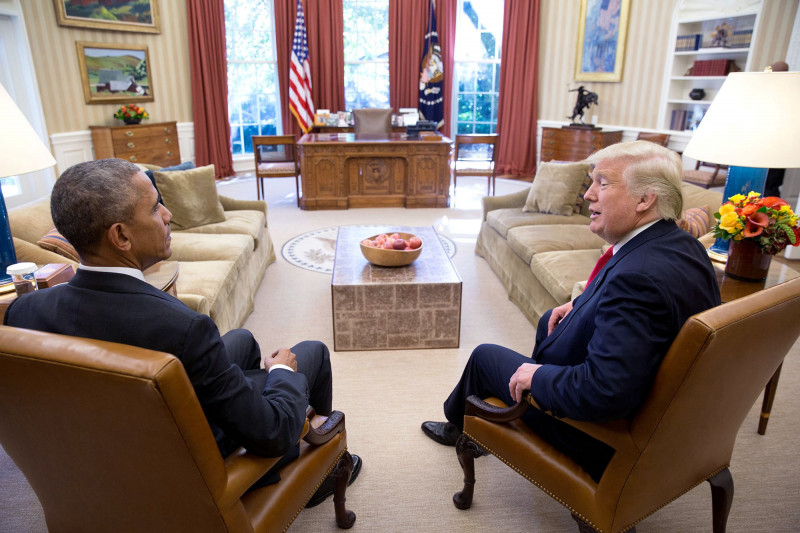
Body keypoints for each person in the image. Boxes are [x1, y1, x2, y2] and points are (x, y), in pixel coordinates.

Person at [3, 159, 360, 505]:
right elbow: (271, 434)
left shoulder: (24, 311)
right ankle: (321, 472)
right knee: (309, 351)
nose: (168, 215)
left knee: (241, 339)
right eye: (156, 207)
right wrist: (282, 372)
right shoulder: (182, 327)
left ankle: (243, 392)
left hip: (108, 445)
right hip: (185, 459)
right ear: (121, 236)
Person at [421, 141, 721, 481]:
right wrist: (582, 304)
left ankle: (460, 426)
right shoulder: (683, 246)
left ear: (644, 199)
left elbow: (605, 393)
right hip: (654, 408)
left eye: (602, 183)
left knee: (484, 356)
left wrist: (538, 377)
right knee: (550, 319)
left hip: (599, 435)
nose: (588, 194)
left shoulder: (638, 279)